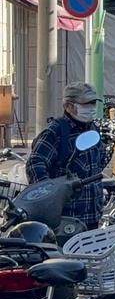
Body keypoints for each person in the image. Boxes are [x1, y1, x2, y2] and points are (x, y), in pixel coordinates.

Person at [26, 83, 110, 229]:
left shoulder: (93, 128)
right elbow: (35, 162)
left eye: (93, 103)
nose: (91, 108)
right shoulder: (57, 131)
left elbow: (99, 161)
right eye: (86, 104)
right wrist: (48, 193)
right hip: (67, 217)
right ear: (69, 106)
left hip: (92, 213)